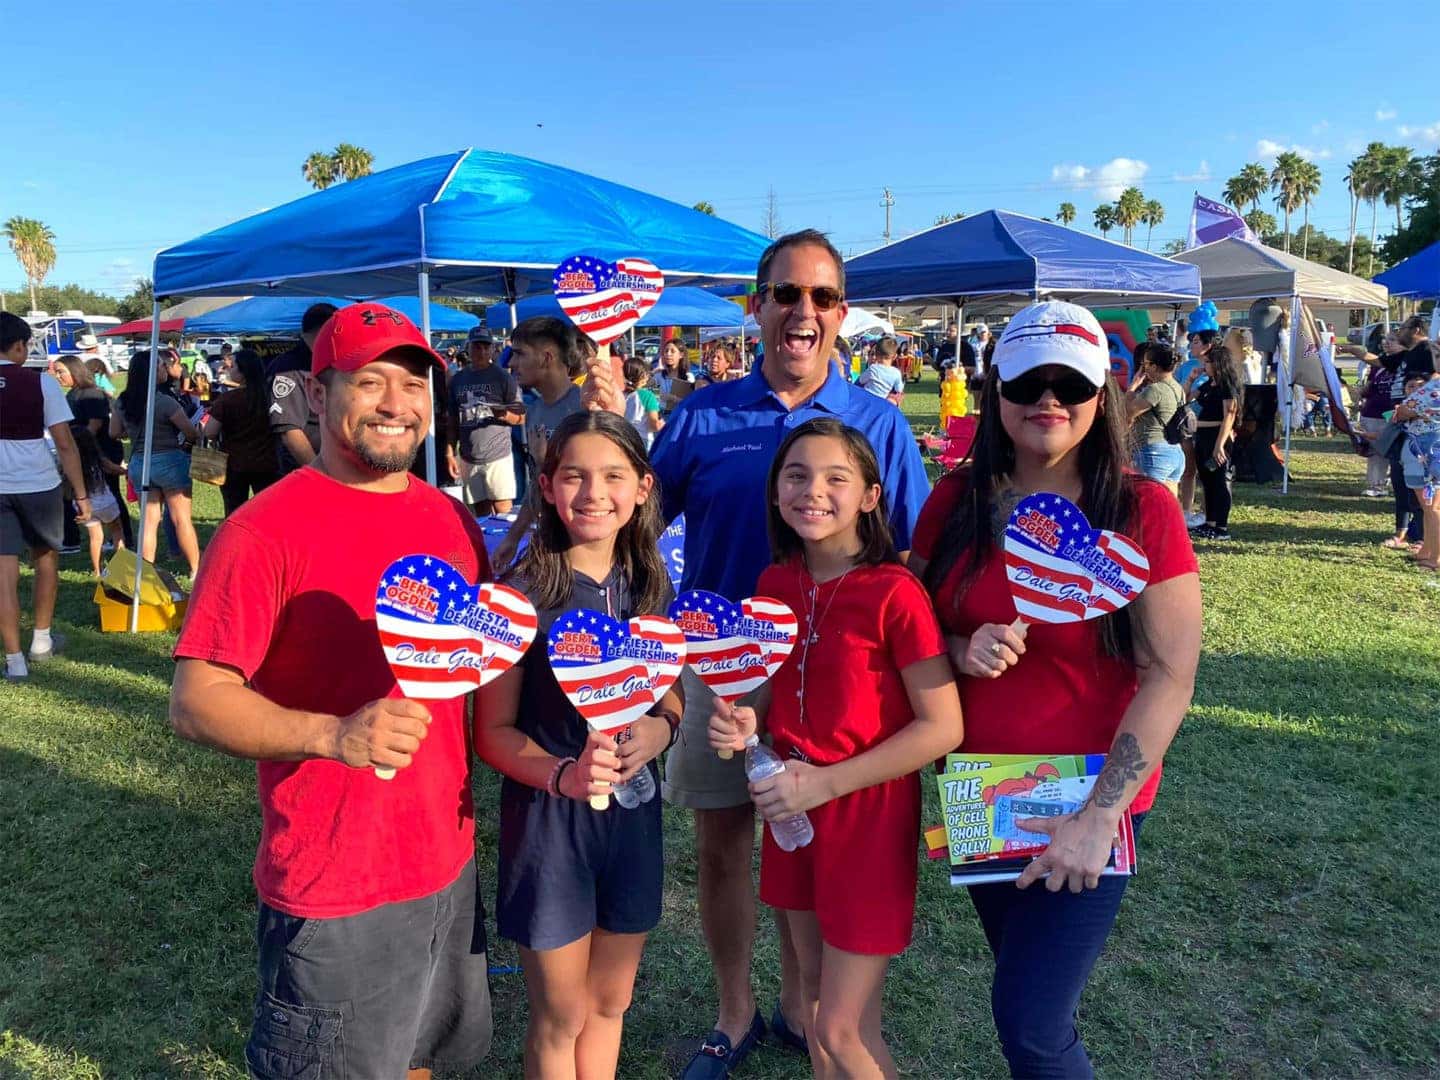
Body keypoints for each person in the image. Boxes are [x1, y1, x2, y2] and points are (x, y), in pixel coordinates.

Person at [169, 302, 495, 1079]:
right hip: (334, 883)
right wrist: (331, 735)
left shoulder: (452, 520)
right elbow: (194, 699)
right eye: (370, 381)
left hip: (446, 859)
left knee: (425, 1061)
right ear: (318, 395)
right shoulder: (264, 531)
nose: (396, 404)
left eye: (413, 385)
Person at [631, 230, 929, 1078]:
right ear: (756, 306)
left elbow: (910, 556)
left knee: (826, 845)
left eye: (823, 298)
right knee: (724, 845)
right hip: (719, 672)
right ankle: (736, 1012)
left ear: (841, 313)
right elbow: (639, 530)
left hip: (837, 679)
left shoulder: (878, 422)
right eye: (787, 294)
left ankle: (817, 1011)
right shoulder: (700, 413)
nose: (804, 312)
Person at [909, 300, 1201, 1079]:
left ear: (1099, 397)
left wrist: (1101, 815)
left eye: (1068, 384)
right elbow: (902, 630)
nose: (1047, 400)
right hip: (980, 796)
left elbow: (1171, 670)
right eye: (1028, 381)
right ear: (996, 390)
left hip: (1087, 803)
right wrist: (957, 645)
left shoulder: (1142, 509)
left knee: (1031, 1021)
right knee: (1024, 991)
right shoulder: (954, 502)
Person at [708, 418, 963, 1077]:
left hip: (867, 821)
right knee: (813, 1010)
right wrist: (743, 726)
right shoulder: (773, 585)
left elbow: (942, 727)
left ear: (871, 497)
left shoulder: (895, 593)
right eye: (795, 475)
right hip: (792, 815)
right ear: (774, 492)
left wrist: (826, 783)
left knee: (840, 1029)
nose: (812, 491)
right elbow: (763, 704)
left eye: (835, 478)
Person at [476, 410, 681, 1080]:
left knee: (611, 1000)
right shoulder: (521, 592)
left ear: (643, 487)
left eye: (613, 475)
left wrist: (664, 727)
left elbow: (668, 689)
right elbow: (494, 733)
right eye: (575, 476)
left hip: (633, 821)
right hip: (549, 828)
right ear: (547, 486)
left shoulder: (649, 582)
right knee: (561, 1015)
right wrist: (564, 774)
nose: (594, 492)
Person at [0, 313, 90, 681]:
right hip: (38, 483)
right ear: (20, 346)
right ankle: (40, 640)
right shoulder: (43, 383)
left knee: (3, 575)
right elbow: (65, 445)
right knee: (46, 561)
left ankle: (14, 660)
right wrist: (82, 494)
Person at [491, 317, 588, 569]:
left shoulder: (586, 409)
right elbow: (538, 484)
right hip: (551, 543)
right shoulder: (535, 412)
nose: (511, 363)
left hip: (583, 550)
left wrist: (547, 462)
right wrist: (512, 538)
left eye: (520, 354)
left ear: (547, 357)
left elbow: (598, 486)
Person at [110, 351, 202, 577]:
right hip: (169, 459)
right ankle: (195, 569)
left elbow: (114, 432)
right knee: (181, 518)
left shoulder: (122, 401)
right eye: (161, 366)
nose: (165, 369)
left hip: (140, 463)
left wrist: (129, 432)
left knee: (149, 522)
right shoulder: (165, 402)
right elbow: (190, 431)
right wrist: (189, 441)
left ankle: (145, 570)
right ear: (151, 372)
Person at [54, 355, 134, 549]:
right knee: (92, 494)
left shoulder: (90, 394)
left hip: (100, 451)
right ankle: (102, 536)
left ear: (75, 371)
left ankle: (124, 539)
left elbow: (95, 424)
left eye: (61, 371)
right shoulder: (73, 393)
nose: (58, 376)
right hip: (84, 451)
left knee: (110, 494)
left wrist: (79, 446)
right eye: (56, 372)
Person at [445, 327, 525, 515]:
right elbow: (452, 421)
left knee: (503, 510)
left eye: (485, 347)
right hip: (469, 456)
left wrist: (503, 414)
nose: (481, 351)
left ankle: (506, 544)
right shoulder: (458, 380)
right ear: (469, 348)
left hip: (498, 454)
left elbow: (521, 417)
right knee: (480, 512)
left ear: (491, 350)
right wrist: (449, 453)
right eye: (476, 346)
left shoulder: (503, 378)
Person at [202, 348, 280, 517]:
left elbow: (210, 432)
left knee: (234, 513)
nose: (230, 368)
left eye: (234, 365)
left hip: (235, 465)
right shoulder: (272, 397)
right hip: (267, 462)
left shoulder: (228, 399)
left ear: (243, 372)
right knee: (268, 512)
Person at [268, 302, 338, 476]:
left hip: (336, 464)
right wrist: (321, 474)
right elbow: (289, 432)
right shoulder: (288, 368)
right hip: (304, 469)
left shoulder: (330, 361)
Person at [1190, 331, 1244, 541]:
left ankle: (1221, 526)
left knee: (1220, 482)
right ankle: (1210, 522)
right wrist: (1191, 379)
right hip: (1202, 436)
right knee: (1207, 480)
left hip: (1218, 437)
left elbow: (1229, 415)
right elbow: (1187, 397)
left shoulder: (1227, 386)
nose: (1205, 366)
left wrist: (1220, 445)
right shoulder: (1208, 384)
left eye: (1209, 362)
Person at [1126, 342, 1187, 493]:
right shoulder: (1178, 388)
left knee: (1146, 502)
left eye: (1145, 364)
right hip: (1175, 452)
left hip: (1153, 452)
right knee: (1169, 506)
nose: (1143, 368)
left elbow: (1127, 412)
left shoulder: (1155, 389)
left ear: (1154, 366)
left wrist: (1132, 387)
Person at [1394, 372, 1440, 570]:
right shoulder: (1433, 385)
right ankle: (1427, 551)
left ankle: (1436, 557)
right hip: (1422, 450)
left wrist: (1406, 409)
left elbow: (1404, 411)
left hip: (1428, 452)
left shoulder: (1433, 389)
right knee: (1428, 507)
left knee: (1432, 507)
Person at [70, 426, 127, 576]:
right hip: (105, 501)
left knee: (95, 537)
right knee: (117, 530)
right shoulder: (97, 458)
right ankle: (122, 564)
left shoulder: (71, 464)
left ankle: (97, 570)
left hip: (84, 504)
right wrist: (125, 471)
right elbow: (112, 468)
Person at [622, 358, 664, 450]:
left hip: (624, 439)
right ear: (642, 375)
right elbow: (654, 425)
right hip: (643, 440)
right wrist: (664, 425)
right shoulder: (648, 396)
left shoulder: (621, 395)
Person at [857, 336, 906, 404]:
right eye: (871, 354)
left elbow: (861, 381)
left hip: (867, 401)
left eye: (875, 354)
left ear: (877, 355)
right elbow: (899, 389)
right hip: (882, 403)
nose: (874, 357)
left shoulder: (872, 369)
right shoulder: (896, 373)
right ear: (894, 356)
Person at [652, 339, 693, 412]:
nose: (668, 354)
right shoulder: (658, 376)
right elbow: (653, 398)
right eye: (666, 351)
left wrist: (672, 398)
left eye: (672, 351)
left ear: (681, 355)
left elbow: (690, 401)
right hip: (661, 416)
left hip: (679, 416)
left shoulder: (688, 377)